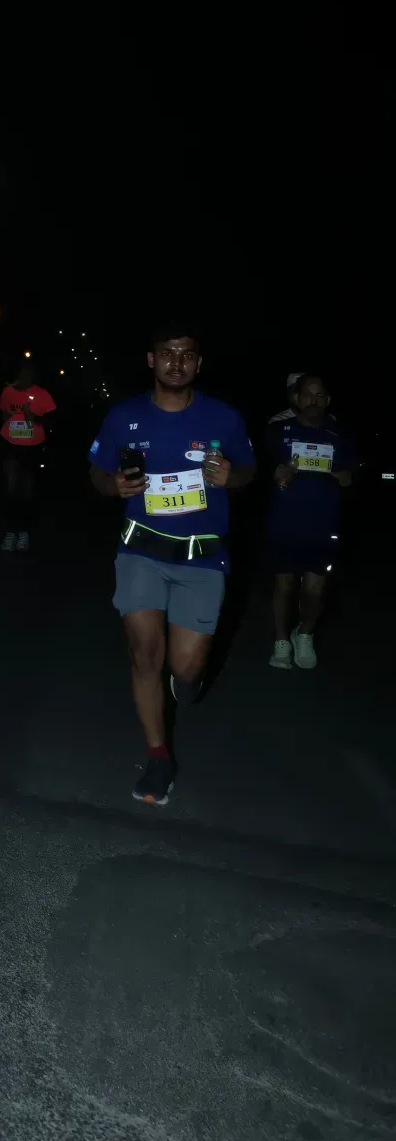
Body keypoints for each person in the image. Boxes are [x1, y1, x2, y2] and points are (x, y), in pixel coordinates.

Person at [88, 325, 255, 807]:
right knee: (145, 654)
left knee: (185, 667)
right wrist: (113, 486)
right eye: (167, 354)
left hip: (202, 556)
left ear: (198, 364)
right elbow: (97, 473)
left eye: (186, 356)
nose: (176, 363)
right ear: (151, 359)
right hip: (140, 551)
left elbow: (248, 471)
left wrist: (232, 477)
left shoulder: (223, 417)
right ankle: (158, 757)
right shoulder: (124, 416)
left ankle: (189, 680)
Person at [268, 373, 355, 669]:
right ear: (296, 397)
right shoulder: (277, 430)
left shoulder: (340, 433)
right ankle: (281, 641)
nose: (313, 400)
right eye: (308, 394)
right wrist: (275, 472)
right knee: (284, 584)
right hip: (284, 521)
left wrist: (348, 477)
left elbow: (353, 474)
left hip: (324, 524)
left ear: (328, 400)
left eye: (320, 395)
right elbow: (255, 470)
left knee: (315, 589)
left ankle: (304, 633)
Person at [0, 357, 56, 552]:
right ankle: (10, 532)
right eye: (23, 373)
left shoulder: (42, 395)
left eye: (29, 374)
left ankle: (23, 533)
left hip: (33, 447)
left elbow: (52, 422)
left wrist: (35, 418)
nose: (25, 377)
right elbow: (2, 412)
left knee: (27, 491)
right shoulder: (8, 391)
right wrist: (6, 416)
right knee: (10, 489)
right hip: (10, 444)